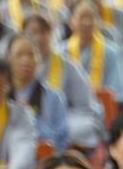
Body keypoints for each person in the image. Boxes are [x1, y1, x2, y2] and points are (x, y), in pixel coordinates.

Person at [22, 12, 104, 150]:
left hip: (65, 119)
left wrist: (58, 118)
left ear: (51, 34)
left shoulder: (68, 65)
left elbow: (86, 106)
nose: (39, 37)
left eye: (43, 32)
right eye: (33, 32)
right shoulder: (16, 66)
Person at [7, 33, 69, 154]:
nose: (25, 60)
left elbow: (62, 138)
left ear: (39, 59)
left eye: (31, 54)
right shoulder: (2, 95)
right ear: (9, 59)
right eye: (19, 54)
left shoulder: (54, 97)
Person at [64, 0, 123, 99]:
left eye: (91, 17)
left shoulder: (111, 52)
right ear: (71, 22)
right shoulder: (61, 52)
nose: (87, 22)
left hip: (101, 104)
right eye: (82, 17)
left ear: (98, 22)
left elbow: (116, 89)